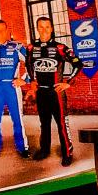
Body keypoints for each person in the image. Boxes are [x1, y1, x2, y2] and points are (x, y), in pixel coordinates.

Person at [26, 15, 77, 166]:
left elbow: (77, 64)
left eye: (47, 27)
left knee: (61, 123)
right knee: (44, 122)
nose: (44, 30)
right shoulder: (31, 48)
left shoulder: (60, 48)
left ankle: (67, 152)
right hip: (41, 92)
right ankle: (44, 150)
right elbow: (28, 65)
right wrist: (32, 80)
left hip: (57, 93)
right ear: (37, 29)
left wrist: (68, 83)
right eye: (41, 27)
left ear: (51, 29)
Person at [0, 19, 30, 160]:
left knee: (17, 118)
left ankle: (23, 147)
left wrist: (24, 79)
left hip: (12, 86)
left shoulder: (17, 47)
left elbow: (31, 62)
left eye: (2, 30)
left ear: (7, 29)